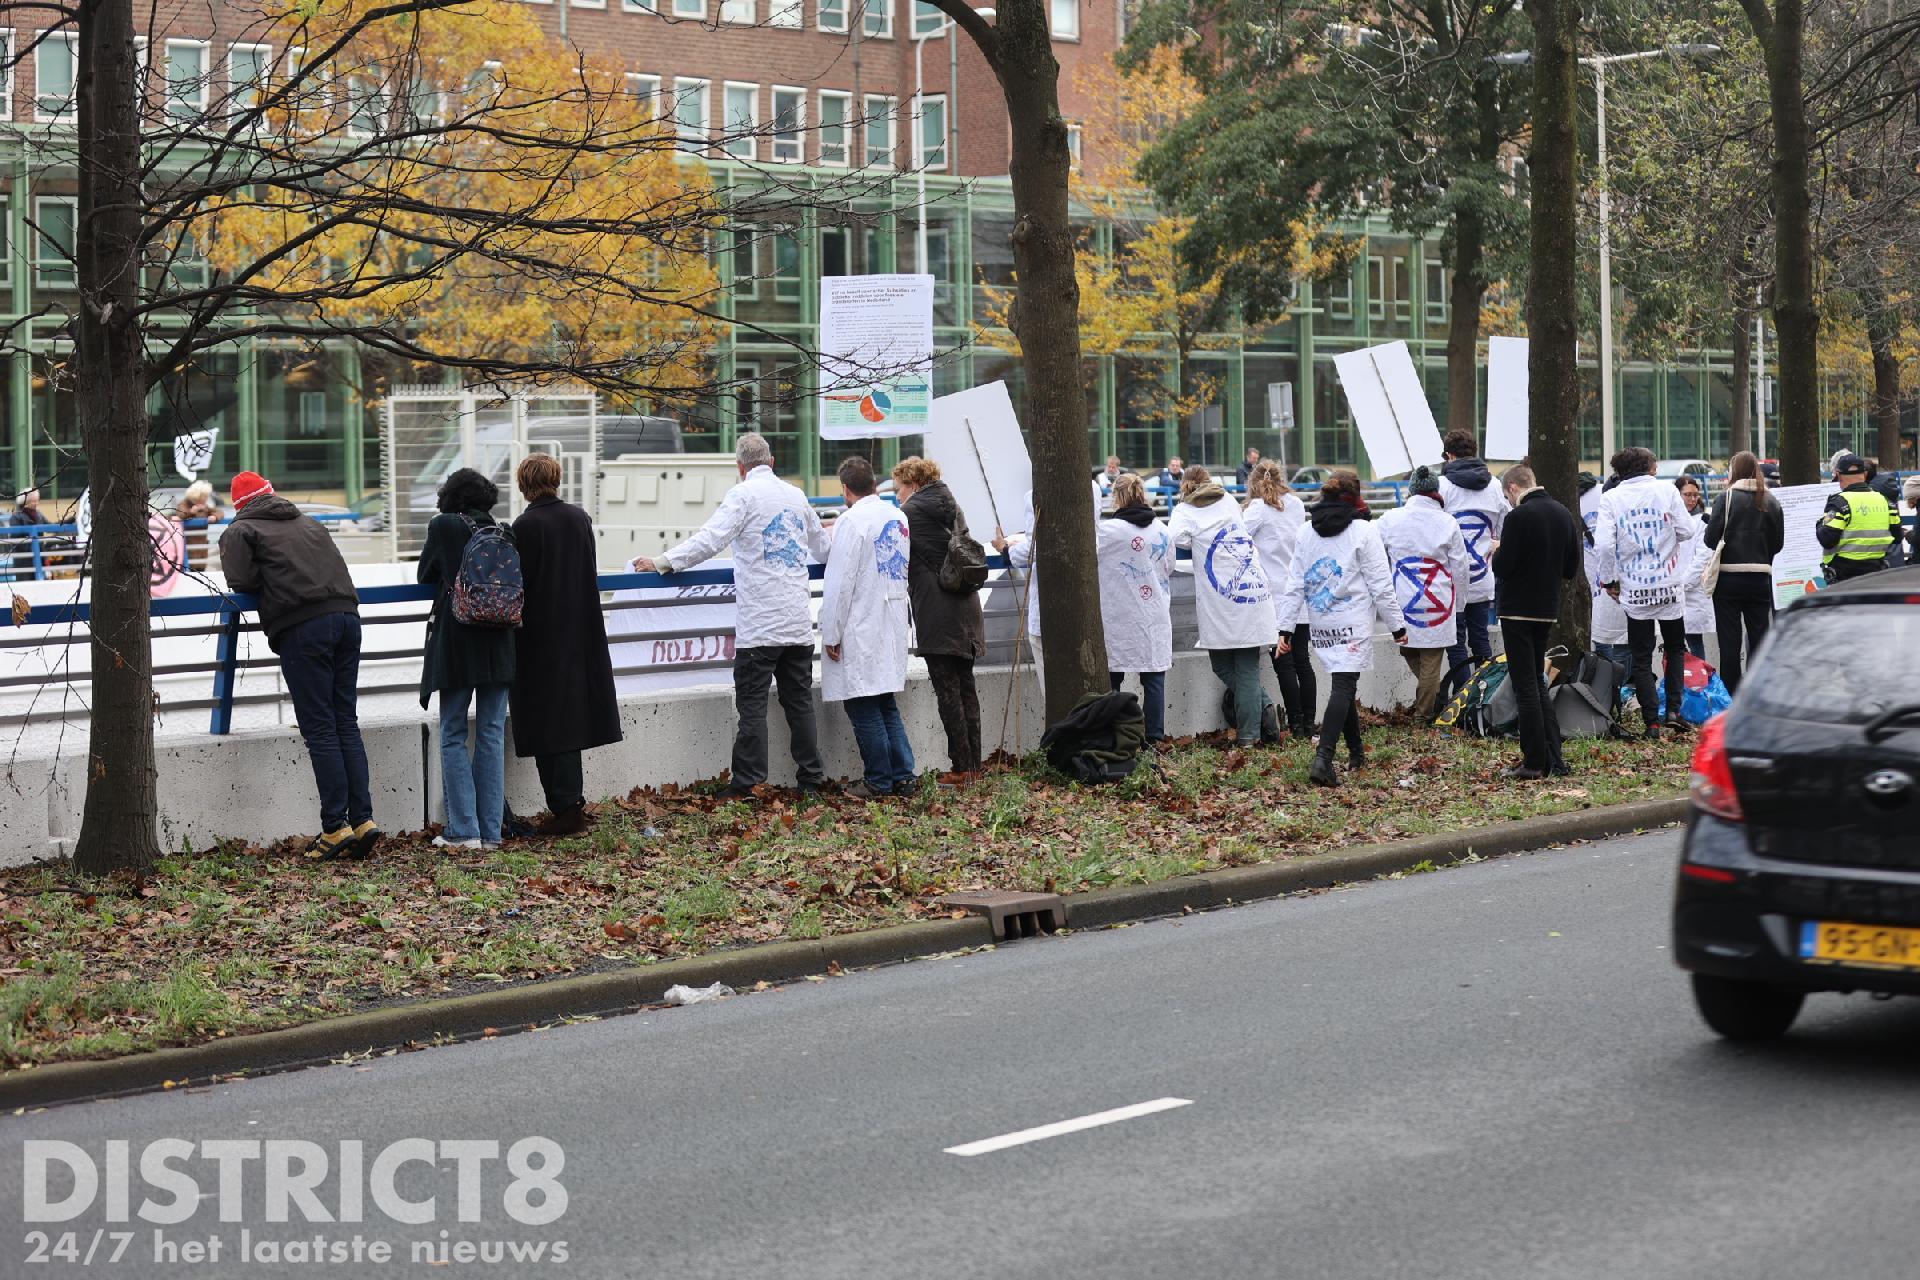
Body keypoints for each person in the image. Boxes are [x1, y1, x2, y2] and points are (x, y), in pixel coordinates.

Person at [634, 432, 830, 797]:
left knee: (752, 707)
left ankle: (747, 784)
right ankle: (811, 779)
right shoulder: (796, 496)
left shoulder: (743, 495)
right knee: (800, 703)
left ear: (740, 467)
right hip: (797, 621)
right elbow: (823, 548)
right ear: (771, 462)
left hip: (760, 625)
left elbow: (710, 540)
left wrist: (663, 561)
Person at [218, 470, 379, 861]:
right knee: (345, 721)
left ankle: (335, 827)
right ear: (272, 494)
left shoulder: (240, 531)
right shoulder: (310, 523)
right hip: (347, 618)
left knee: (320, 727)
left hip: (304, 627)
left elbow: (241, 581)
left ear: (239, 506)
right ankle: (362, 820)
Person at [509, 454, 621, 836]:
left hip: (539, 637)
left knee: (544, 722)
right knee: (570, 720)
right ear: (556, 479)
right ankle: (569, 805)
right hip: (581, 631)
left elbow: (520, 583)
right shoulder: (579, 519)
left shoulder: (524, 526)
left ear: (524, 484)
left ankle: (566, 808)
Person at [1274, 473, 1405, 787]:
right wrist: (1397, 625)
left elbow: (1295, 584)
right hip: (1353, 621)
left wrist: (1285, 629)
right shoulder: (1364, 531)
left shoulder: (1306, 531)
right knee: (1344, 686)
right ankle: (1323, 759)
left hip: (1321, 623)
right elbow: (1380, 584)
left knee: (1342, 684)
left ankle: (1356, 752)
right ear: (1356, 497)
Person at [419, 467, 517, 849]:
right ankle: (490, 832)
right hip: (501, 643)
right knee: (491, 733)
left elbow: (425, 574)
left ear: (450, 495)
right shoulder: (504, 531)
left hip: (458, 642)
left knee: (453, 733)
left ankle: (464, 831)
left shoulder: (444, 526)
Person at [819, 457, 915, 799]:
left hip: (860, 623)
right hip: (890, 619)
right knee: (885, 702)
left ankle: (878, 780)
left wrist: (831, 633)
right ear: (874, 484)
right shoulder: (897, 516)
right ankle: (904, 776)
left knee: (863, 704)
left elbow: (840, 583)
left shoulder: (851, 521)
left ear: (845, 490)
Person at [1168, 465, 1280, 746]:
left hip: (1223, 600)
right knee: (1241, 669)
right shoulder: (1228, 500)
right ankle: (1264, 707)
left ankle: (1249, 736)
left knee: (1235, 667)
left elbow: (1175, 539)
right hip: (1252, 592)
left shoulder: (1184, 510)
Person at [1594, 446, 1697, 739]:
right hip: (1668, 584)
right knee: (1675, 648)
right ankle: (1674, 711)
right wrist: (1666, 540)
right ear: (1650, 468)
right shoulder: (1667, 491)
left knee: (1641, 656)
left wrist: (1609, 580)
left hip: (1634, 587)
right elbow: (1687, 530)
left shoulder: (1611, 498)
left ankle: (1651, 721)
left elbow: (1604, 545)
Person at [894, 456, 985, 779]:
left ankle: (961, 768)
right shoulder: (953, 505)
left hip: (937, 610)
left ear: (914, 484)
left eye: (899, 488)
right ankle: (974, 766)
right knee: (966, 688)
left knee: (948, 692)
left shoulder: (910, 513)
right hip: (967, 606)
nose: (897, 495)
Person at [1491, 465, 1580, 779]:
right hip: (1546, 608)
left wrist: (1497, 551)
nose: (1509, 501)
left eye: (1507, 496)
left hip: (1517, 609)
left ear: (1513, 488)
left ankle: (1533, 761)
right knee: (1538, 683)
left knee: (1525, 684)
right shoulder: (1563, 514)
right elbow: (1570, 568)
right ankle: (1554, 756)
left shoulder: (1517, 517)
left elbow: (1503, 567)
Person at [1377, 465, 1470, 724]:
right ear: (1435, 491)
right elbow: (1460, 568)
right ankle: (1433, 698)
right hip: (1438, 601)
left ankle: (1423, 715)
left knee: (1420, 656)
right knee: (1422, 657)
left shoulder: (1389, 520)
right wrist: (1459, 603)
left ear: (1411, 491)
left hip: (1404, 599)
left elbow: (1375, 555)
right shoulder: (1447, 522)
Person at [1095, 472, 1174, 743]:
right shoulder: (1162, 529)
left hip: (1118, 614)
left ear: (1116, 497)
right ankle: (1154, 739)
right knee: (1154, 680)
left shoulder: (1107, 532)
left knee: (1112, 680)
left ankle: (1115, 738)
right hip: (1154, 614)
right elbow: (1169, 566)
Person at [1242, 461, 1314, 737]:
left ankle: (1295, 723)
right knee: (1303, 661)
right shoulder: (1296, 504)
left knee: (1283, 662)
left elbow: (1238, 539)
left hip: (1273, 596)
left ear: (1253, 482)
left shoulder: (1257, 509)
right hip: (1299, 592)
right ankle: (1309, 723)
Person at [1703, 451, 1784, 694]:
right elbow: (1778, 544)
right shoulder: (1771, 501)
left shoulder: (1726, 498)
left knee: (1729, 641)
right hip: (1760, 579)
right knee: (1759, 638)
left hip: (1728, 579)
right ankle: (1757, 691)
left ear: (1734, 471)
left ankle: (1732, 694)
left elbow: (1710, 540)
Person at [1438, 430, 1509, 677]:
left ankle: (1462, 696)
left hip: (1450, 582)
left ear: (1449, 455)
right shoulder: (1495, 486)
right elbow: (1505, 527)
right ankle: (1484, 694)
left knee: (1456, 642)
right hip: (1482, 578)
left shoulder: (1442, 486)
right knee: (1480, 639)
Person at [1581, 474, 1634, 709]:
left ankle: (1606, 695)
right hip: (1619, 584)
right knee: (1623, 643)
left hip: (1597, 584)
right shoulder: (1618, 505)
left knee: (1603, 639)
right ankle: (1619, 695)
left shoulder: (1588, 499)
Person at [1816, 453, 1899, 583]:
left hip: (1845, 576)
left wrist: (1821, 523)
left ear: (1838, 475)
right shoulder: (1885, 501)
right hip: (1877, 573)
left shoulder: (1839, 503)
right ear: (1864, 474)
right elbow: (1897, 536)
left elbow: (1827, 539)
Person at [1676, 477, 1712, 659]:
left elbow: (1703, 558)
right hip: (1673, 590)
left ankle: (1699, 676)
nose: (1692, 499)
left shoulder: (1703, 521)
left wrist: (1682, 584)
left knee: (1694, 641)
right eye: (1687, 495)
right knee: (1674, 644)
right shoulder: (1670, 519)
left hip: (1691, 591)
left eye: (1695, 495)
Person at [175, 479, 223, 571]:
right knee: (188, 570)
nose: (206, 499)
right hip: (188, 545)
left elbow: (219, 512)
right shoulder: (184, 503)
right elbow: (180, 514)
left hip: (201, 547)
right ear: (198, 496)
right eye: (204, 496)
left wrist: (214, 517)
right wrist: (191, 512)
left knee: (200, 570)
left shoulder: (204, 506)